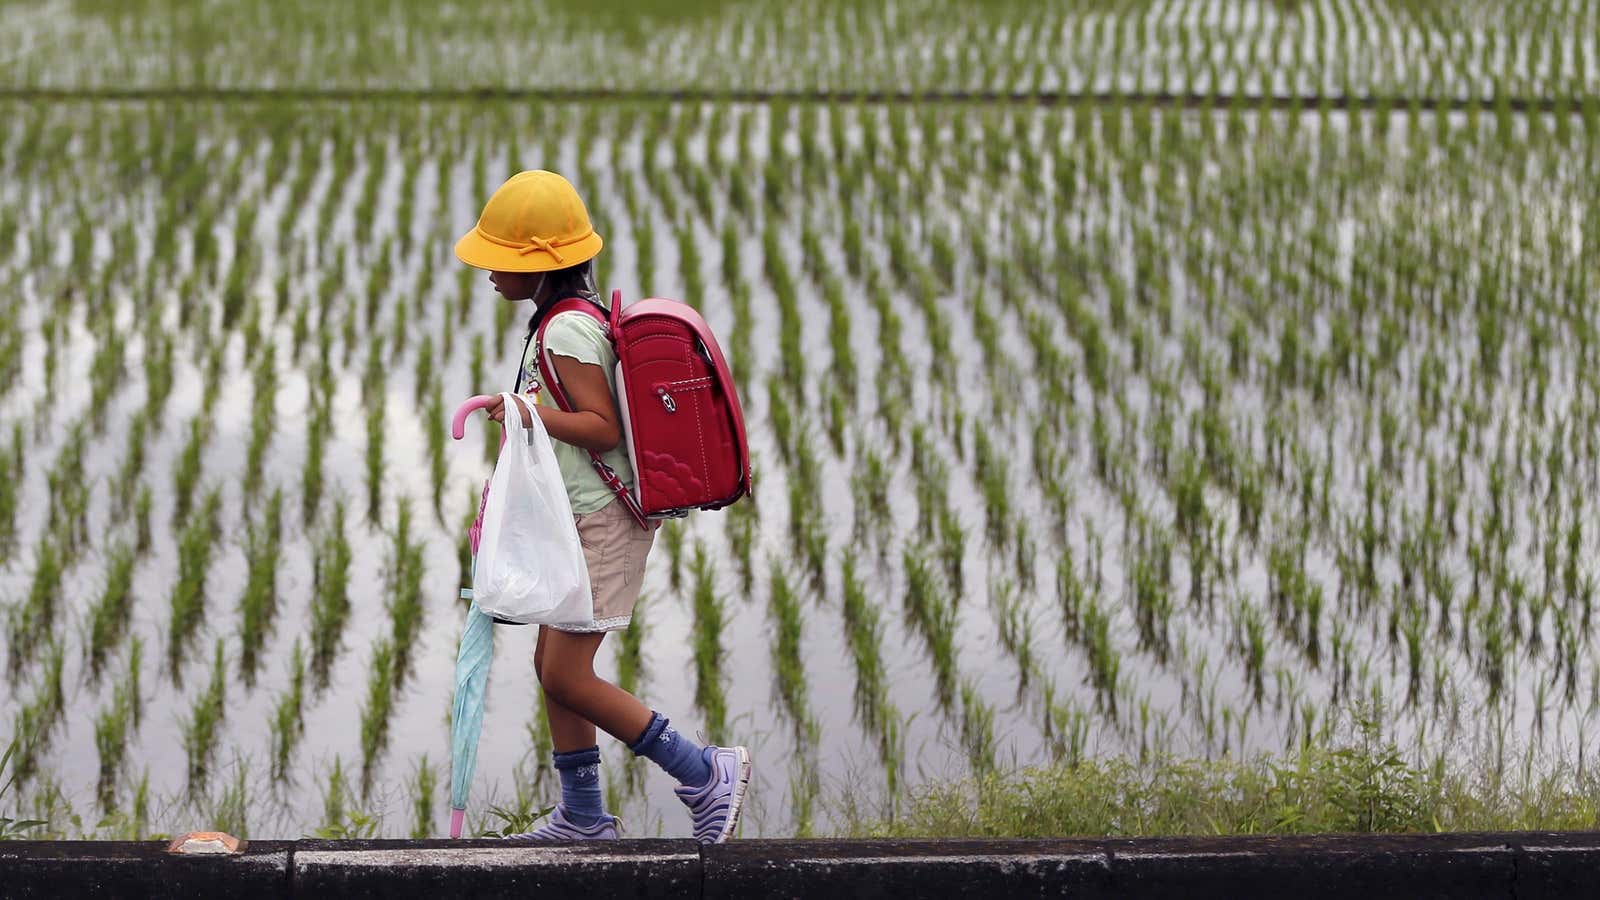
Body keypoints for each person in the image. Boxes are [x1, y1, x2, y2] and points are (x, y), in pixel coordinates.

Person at [453, 170, 751, 843]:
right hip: (576, 519)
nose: (489, 271)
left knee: (566, 672)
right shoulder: (564, 321)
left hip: (603, 525)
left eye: (502, 259)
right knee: (549, 670)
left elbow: (602, 426)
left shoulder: (566, 333)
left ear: (543, 266)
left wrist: (524, 411)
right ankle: (583, 817)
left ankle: (704, 771)